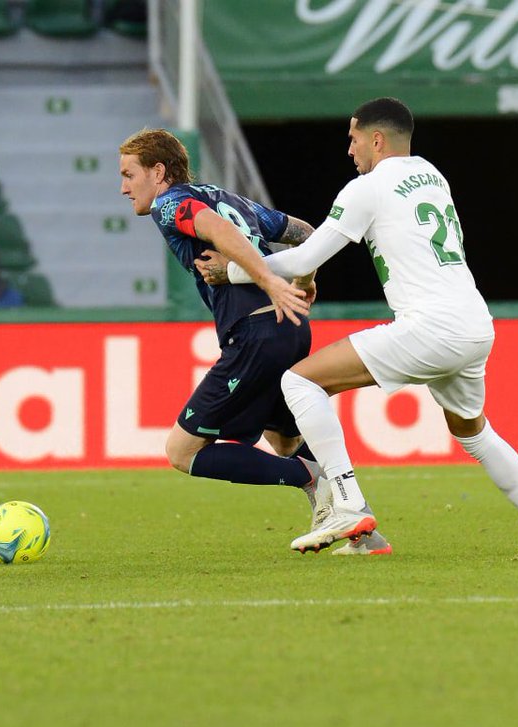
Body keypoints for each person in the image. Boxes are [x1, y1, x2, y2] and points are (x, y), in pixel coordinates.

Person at [198, 98, 518, 557]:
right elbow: (311, 265)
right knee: (474, 433)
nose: (350, 150)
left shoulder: (367, 188)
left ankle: (349, 507)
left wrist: (234, 270)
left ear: (376, 139)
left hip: (431, 327)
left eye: (354, 139)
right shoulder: (432, 175)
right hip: (475, 324)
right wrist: (303, 277)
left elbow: (303, 256)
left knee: (298, 382)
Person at [119, 128, 392, 553]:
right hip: (288, 327)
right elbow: (303, 232)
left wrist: (267, 279)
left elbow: (210, 228)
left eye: (128, 175)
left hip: (255, 332)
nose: (123, 187)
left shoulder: (169, 202)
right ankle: (363, 529)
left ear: (158, 172)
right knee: (285, 441)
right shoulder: (229, 197)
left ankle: (312, 480)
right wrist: (303, 278)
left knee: (183, 451)